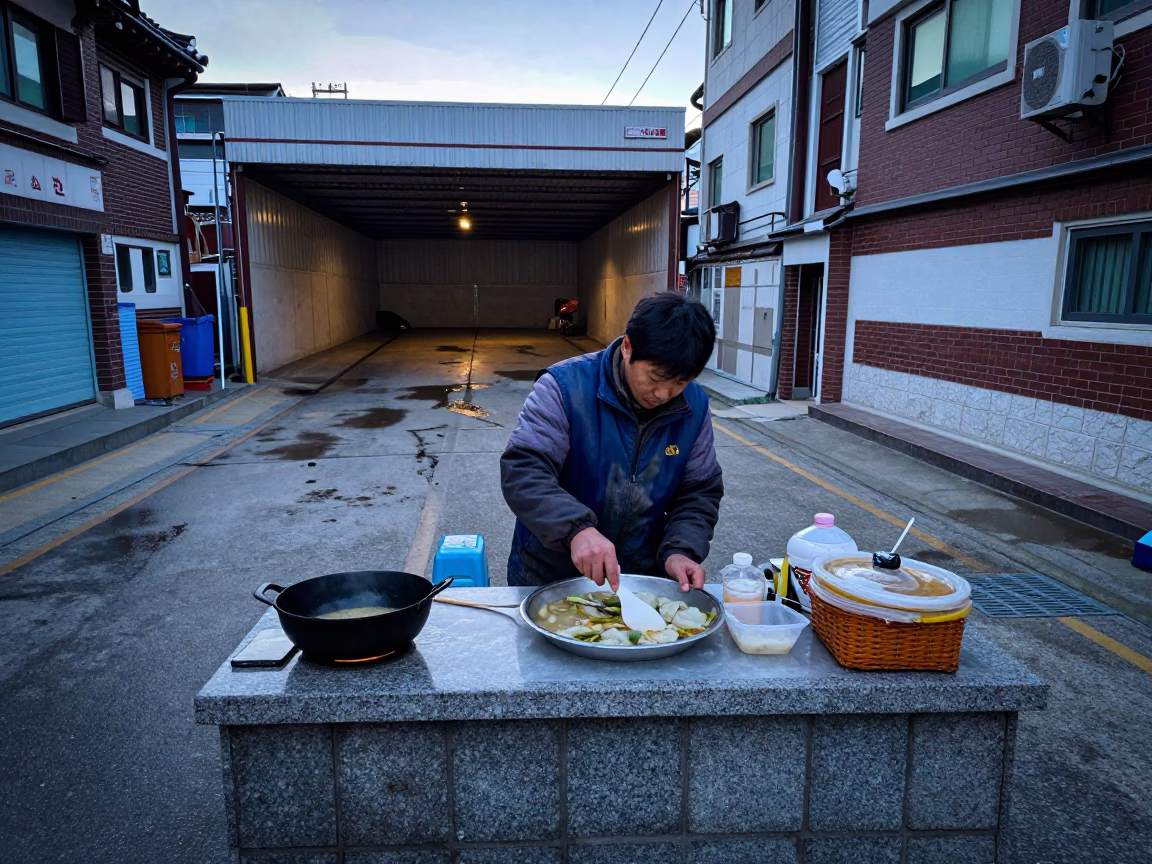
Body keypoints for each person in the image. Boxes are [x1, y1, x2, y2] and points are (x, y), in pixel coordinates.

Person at [501, 292, 723, 592]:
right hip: (550, 575)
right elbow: (524, 471)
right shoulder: (564, 388)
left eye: (679, 383)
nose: (663, 394)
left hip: (639, 581)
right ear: (628, 347)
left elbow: (699, 491)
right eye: (655, 377)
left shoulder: (694, 407)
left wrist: (681, 550)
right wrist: (576, 530)